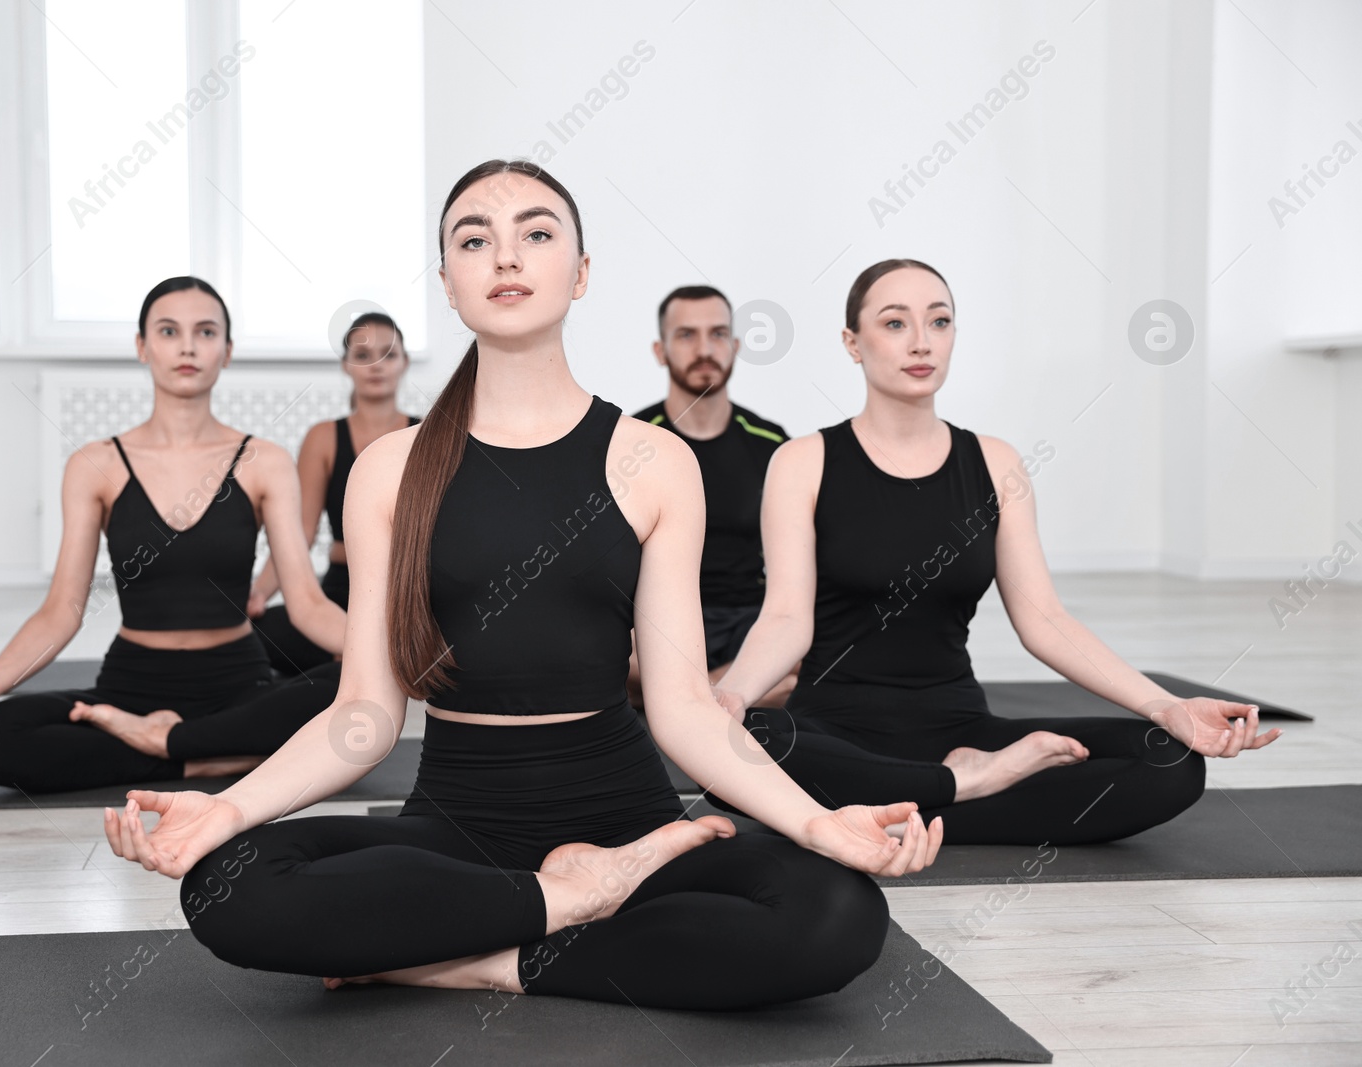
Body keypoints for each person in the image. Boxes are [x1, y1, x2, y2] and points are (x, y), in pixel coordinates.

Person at [102, 161, 943, 1010]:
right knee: (229, 882)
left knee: (835, 913)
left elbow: (685, 707)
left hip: (627, 820)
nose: (505, 257)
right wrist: (226, 810)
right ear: (448, 282)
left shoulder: (654, 462)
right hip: (456, 824)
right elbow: (363, 715)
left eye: (536, 234)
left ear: (579, 273)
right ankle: (565, 904)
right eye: (476, 239)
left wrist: (815, 821)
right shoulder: (390, 470)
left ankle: (478, 961)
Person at [710, 259, 1280, 845]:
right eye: (895, 324)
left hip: (963, 729)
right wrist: (733, 695)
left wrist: (1167, 708)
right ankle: (956, 791)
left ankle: (902, 806)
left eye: (939, 321)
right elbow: (784, 618)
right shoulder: (803, 462)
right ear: (852, 343)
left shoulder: (996, 463)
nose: (922, 342)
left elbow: (1045, 620)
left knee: (1171, 762)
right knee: (746, 740)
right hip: (834, 731)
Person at [0, 277, 347, 792]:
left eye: (205, 332)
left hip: (238, 683)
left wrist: (395, 657)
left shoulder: (265, 462)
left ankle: (167, 745)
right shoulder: (95, 465)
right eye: (169, 331)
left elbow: (306, 603)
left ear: (227, 352)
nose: (188, 346)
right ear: (143, 347)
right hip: (131, 686)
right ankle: (208, 756)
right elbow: (62, 610)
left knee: (347, 691)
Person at [629, 285, 797, 709]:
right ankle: (718, 699)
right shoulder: (630, 442)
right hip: (658, 623)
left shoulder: (771, 444)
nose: (705, 349)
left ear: (736, 346)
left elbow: (795, 571)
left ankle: (692, 698)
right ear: (659, 350)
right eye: (686, 335)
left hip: (748, 619)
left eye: (718, 334)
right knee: (601, 655)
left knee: (805, 662)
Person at [245, 312, 419, 673]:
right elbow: (299, 532)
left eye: (389, 353)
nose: (377, 365)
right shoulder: (323, 437)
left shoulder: (426, 434)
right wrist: (259, 593)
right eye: (363, 354)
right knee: (250, 633)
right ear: (346, 366)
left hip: (410, 592)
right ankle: (358, 653)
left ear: (404, 363)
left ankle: (360, 655)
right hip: (342, 592)